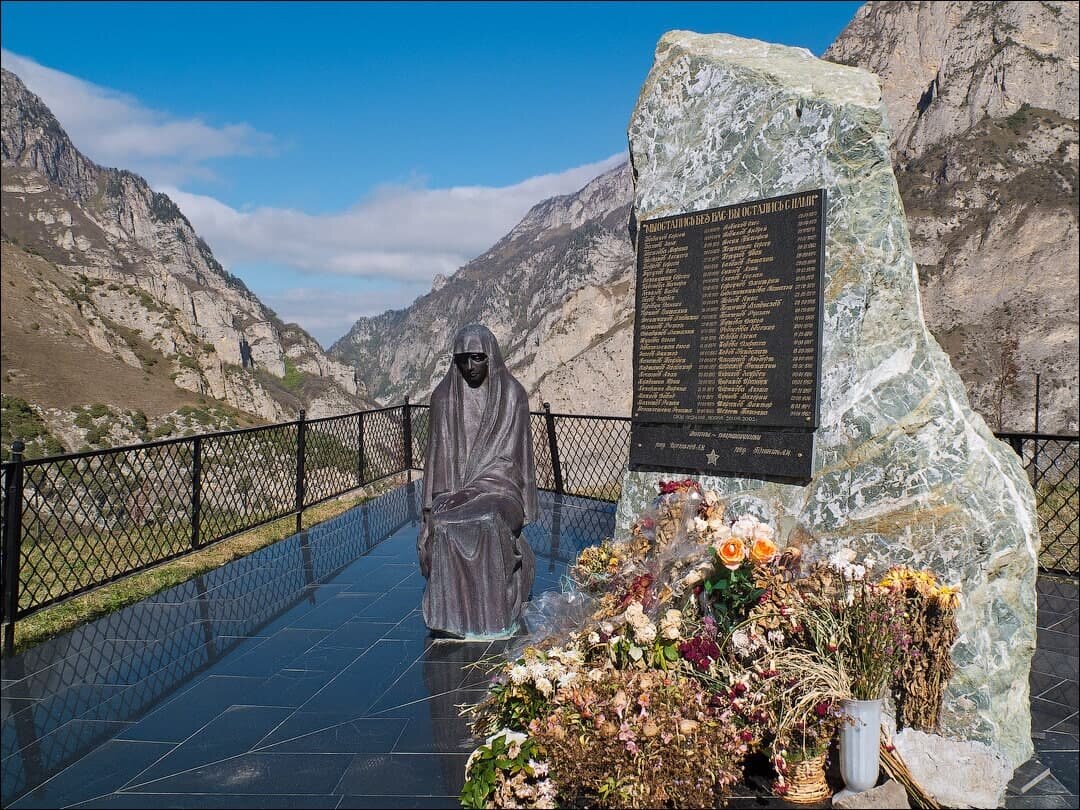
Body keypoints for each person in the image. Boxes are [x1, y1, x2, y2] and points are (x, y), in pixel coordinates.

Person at [418, 324, 538, 638]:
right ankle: (456, 617)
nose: (470, 367)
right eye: (462, 360)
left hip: (502, 490)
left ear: (491, 357)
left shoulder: (513, 396)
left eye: (477, 358)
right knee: (446, 525)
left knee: (487, 519)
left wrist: (476, 489)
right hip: (456, 492)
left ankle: (495, 613)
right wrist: (430, 517)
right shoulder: (444, 399)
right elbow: (437, 461)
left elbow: (513, 462)